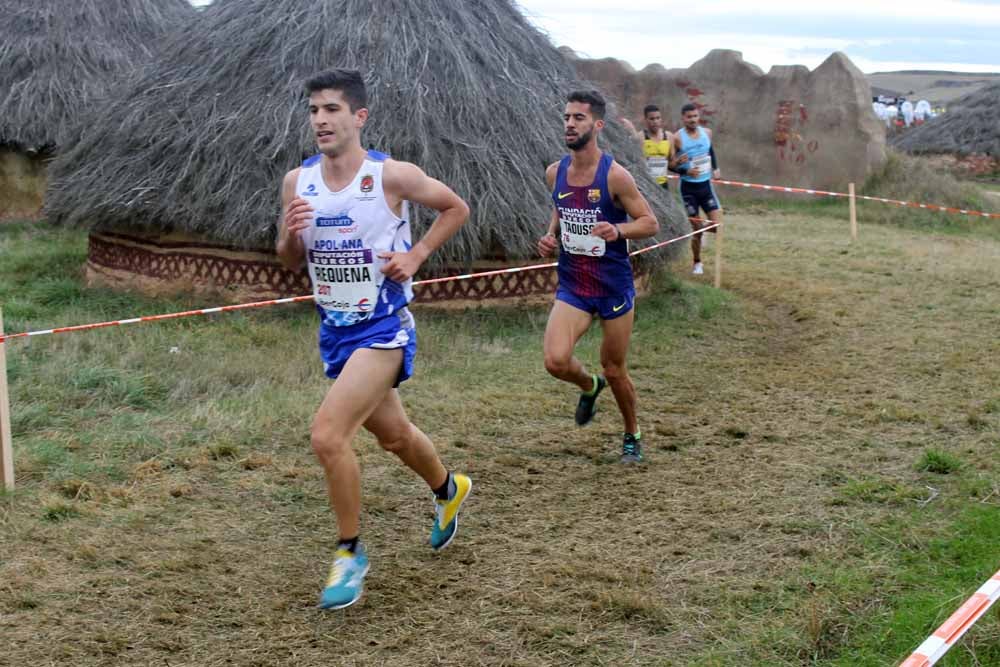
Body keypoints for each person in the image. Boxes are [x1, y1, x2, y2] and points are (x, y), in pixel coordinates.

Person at [276, 69, 473, 610]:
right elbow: (288, 259)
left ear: (358, 117)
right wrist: (291, 234)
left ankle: (349, 553)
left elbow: (456, 207)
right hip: (335, 331)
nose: (320, 119)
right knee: (395, 436)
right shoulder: (299, 181)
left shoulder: (391, 175)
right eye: (314, 109)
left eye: (332, 109)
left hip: (384, 328)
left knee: (327, 435)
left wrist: (415, 256)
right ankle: (448, 488)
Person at [538, 90, 659, 464]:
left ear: (598, 125)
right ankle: (590, 386)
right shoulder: (555, 172)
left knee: (615, 367)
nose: (570, 124)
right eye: (567, 118)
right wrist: (551, 235)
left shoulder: (615, 176)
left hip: (612, 287)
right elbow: (562, 209)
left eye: (578, 118)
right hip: (574, 284)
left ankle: (631, 433)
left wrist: (618, 231)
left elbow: (649, 223)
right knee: (556, 361)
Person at [672, 103, 722, 275]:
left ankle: (701, 229)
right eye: (689, 117)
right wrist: (685, 169)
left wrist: (715, 168)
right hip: (688, 189)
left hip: (705, 186)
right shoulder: (677, 138)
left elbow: (710, 151)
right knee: (697, 230)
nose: (693, 119)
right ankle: (697, 262)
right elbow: (670, 164)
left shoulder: (707, 133)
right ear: (683, 118)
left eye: (695, 116)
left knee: (716, 225)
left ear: (698, 116)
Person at [619, 104, 687, 189]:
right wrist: (632, 131)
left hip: (663, 184)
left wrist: (678, 162)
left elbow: (671, 164)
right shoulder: (640, 137)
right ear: (645, 120)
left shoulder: (669, 137)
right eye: (652, 119)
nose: (655, 121)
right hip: (646, 186)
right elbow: (635, 162)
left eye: (658, 118)